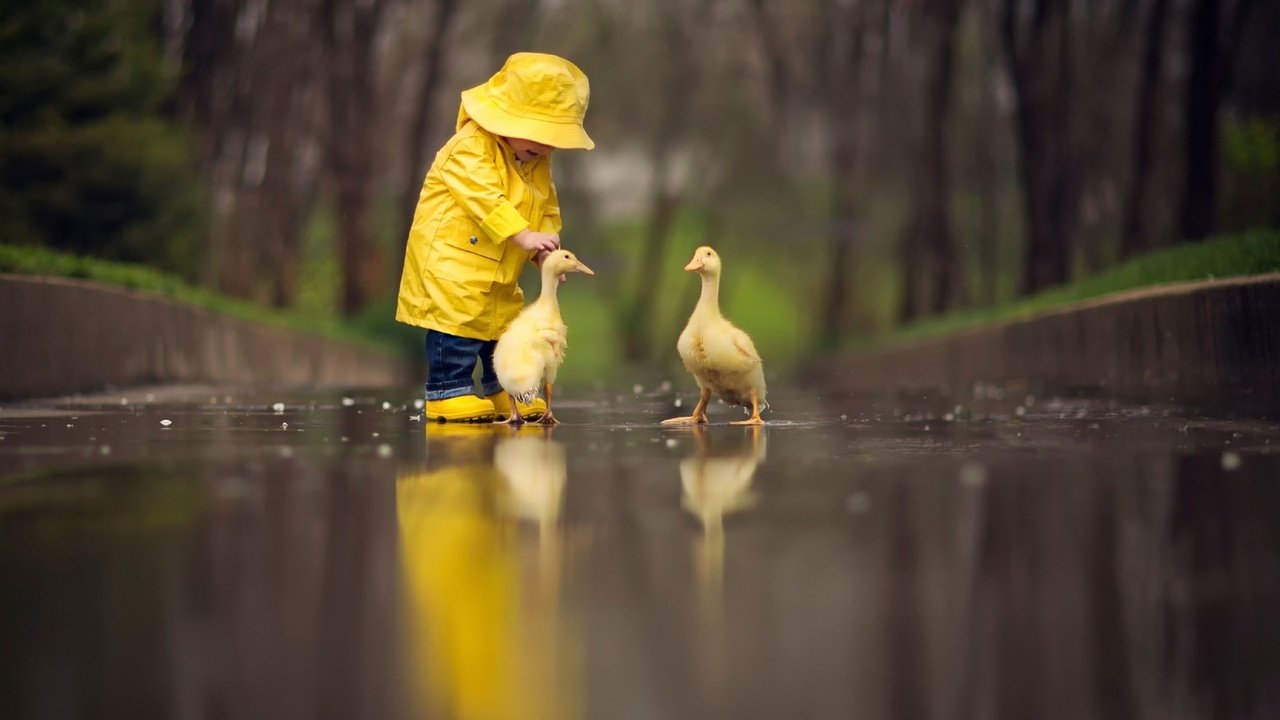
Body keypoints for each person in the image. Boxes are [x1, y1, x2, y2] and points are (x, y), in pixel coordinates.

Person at [396, 53, 594, 422]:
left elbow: (547, 206)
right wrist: (521, 233)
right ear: (505, 116)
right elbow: (485, 197)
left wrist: (544, 248)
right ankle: (446, 391)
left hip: (501, 265)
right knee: (456, 326)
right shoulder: (468, 147)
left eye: (554, 140)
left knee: (504, 331)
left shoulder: (533, 160)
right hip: (452, 263)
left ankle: (507, 390)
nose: (546, 147)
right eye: (540, 134)